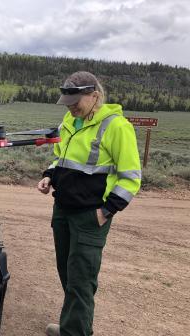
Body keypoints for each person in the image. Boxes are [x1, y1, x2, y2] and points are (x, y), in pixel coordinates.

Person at [38, 71, 141, 336]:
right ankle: (73, 326)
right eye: (67, 102)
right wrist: (49, 176)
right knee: (67, 273)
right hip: (62, 209)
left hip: (90, 216)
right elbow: (60, 158)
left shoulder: (117, 126)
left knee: (81, 281)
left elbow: (131, 177)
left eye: (75, 101)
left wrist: (106, 211)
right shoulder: (70, 121)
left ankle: (75, 332)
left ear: (94, 96)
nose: (71, 107)